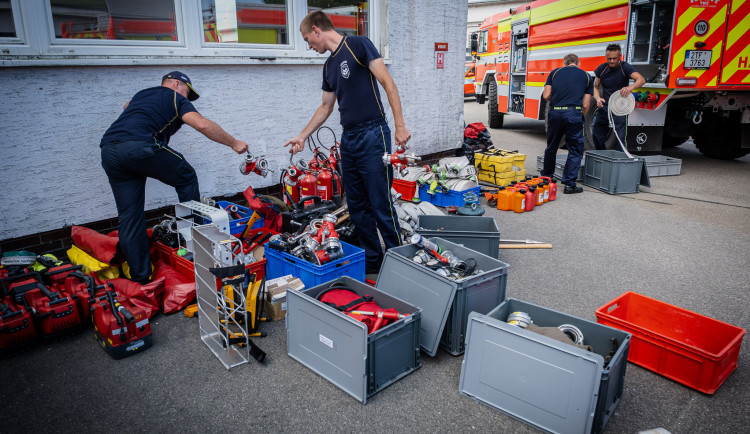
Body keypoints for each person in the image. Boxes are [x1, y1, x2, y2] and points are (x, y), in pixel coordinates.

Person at [284, 11, 410, 275]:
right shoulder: (329, 66)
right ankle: (374, 261)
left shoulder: (358, 45)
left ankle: (401, 263)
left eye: (308, 39)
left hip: (372, 133)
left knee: (380, 203)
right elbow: (325, 106)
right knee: (356, 206)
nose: (309, 46)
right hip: (349, 138)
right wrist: (303, 135)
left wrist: (399, 125)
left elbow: (388, 83)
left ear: (317, 30)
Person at [100, 71, 248, 283]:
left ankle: (141, 278)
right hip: (140, 146)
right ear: (177, 84)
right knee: (186, 177)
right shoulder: (175, 97)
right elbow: (202, 124)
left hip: (109, 150)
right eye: (187, 93)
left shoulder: (142, 94)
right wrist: (234, 143)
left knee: (129, 216)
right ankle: (195, 244)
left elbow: (127, 106)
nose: (187, 99)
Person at [541, 53, 594, 194]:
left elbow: (546, 95)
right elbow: (586, 104)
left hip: (555, 113)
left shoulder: (554, 73)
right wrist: (577, 115)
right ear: (578, 63)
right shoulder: (587, 76)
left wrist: (558, 102)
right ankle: (570, 185)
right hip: (574, 114)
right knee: (575, 150)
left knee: (551, 146)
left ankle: (546, 178)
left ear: (564, 63)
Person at [592, 44, 646, 151]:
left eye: (614, 58)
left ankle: (619, 159)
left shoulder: (625, 67)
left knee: (620, 138)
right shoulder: (601, 69)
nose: (611, 61)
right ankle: (602, 155)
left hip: (620, 107)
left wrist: (630, 87)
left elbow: (641, 79)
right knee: (597, 136)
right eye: (609, 58)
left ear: (620, 57)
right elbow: (595, 86)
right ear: (606, 57)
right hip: (605, 106)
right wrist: (597, 98)